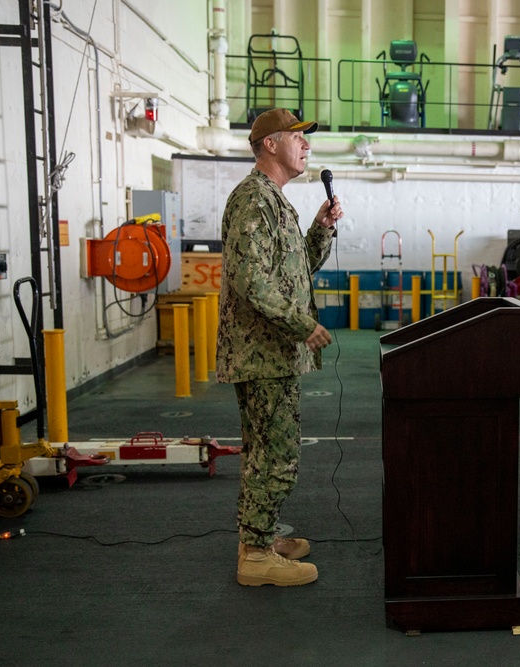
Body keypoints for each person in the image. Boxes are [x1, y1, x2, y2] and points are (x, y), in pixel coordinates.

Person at [217, 108, 345, 587]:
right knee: (276, 453)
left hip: (270, 351)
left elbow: (294, 271)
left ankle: (260, 537)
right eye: (298, 137)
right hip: (262, 352)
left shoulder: (274, 200)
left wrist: (321, 227)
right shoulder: (254, 200)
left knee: (264, 450)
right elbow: (250, 280)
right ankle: (255, 557)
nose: (306, 146)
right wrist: (301, 325)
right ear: (270, 144)